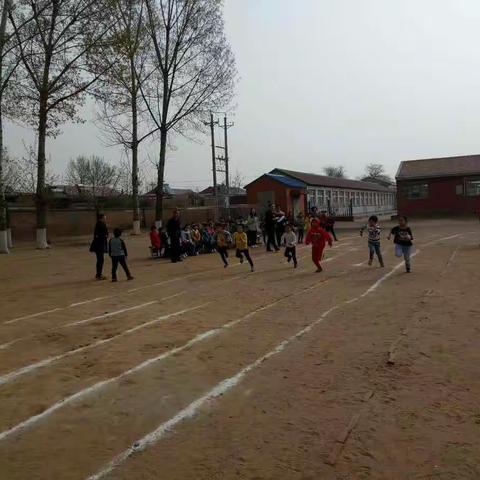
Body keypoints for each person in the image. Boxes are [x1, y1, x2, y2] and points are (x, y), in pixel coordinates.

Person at [89, 213, 109, 280]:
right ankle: (99, 275)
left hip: (98, 245)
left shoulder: (99, 224)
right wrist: (105, 235)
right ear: (101, 218)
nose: (105, 219)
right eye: (104, 218)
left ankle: (98, 274)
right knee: (100, 260)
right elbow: (104, 234)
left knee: (100, 260)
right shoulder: (101, 224)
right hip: (99, 245)